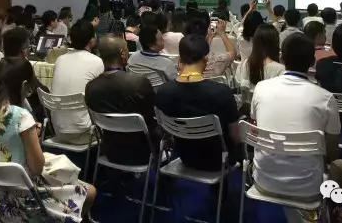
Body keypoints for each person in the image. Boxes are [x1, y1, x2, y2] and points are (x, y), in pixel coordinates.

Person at [0, 58, 96, 222]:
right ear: (24, 86)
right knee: (90, 191)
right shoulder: (21, 116)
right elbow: (36, 168)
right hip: (24, 203)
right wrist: (33, 138)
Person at [251, 33, 342, 201]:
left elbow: (256, 123)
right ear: (312, 62)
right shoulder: (326, 98)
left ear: (282, 59)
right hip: (308, 187)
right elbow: (332, 151)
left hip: (264, 181)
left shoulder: (261, 88)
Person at [155, 34, 240, 171]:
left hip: (184, 157)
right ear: (206, 59)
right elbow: (235, 136)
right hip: (219, 161)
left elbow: (165, 132)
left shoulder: (163, 91)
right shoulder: (222, 92)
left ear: (180, 59)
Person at [85, 36, 158, 165]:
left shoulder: (91, 87)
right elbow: (152, 117)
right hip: (144, 152)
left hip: (110, 151)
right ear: (123, 53)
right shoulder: (139, 82)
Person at [51, 20, 104, 144]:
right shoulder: (96, 61)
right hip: (86, 133)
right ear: (92, 40)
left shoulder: (60, 60)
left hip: (58, 130)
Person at [234, 23, 284, 91]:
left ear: (255, 42)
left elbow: (241, 86)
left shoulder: (246, 63)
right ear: (276, 43)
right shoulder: (280, 69)